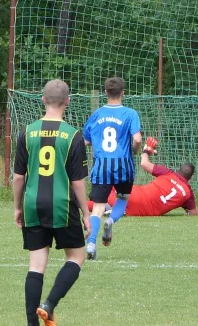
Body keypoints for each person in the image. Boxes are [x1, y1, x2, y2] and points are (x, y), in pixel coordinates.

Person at [13, 79, 91, 326]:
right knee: (77, 257)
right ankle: (49, 304)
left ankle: (31, 324)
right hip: (62, 204)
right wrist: (86, 213)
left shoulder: (27, 132)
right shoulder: (73, 136)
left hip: (33, 204)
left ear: (43, 100)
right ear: (67, 102)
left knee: (36, 265)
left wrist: (17, 207)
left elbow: (18, 177)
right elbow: (77, 182)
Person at [83, 77, 142, 260]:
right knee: (122, 199)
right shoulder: (130, 113)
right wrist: (134, 150)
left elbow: (85, 140)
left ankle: (91, 244)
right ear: (123, 93)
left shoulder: (97, 114)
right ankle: (111, 220)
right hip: (124, 165)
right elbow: (138, 139)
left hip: (101, 167)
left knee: (98, 208)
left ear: (106, 93)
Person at [87, 137, 197, 217]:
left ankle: (92, 199)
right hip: (141, 211)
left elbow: (144, 163)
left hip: (134, 195)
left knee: (109, 183)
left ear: (178, 170)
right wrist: (184, 206)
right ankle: (106, 207)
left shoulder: (168, 173)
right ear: (190, 178)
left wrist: (146, 151)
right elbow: (193, 213)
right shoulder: (187, 193)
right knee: (106, 202)